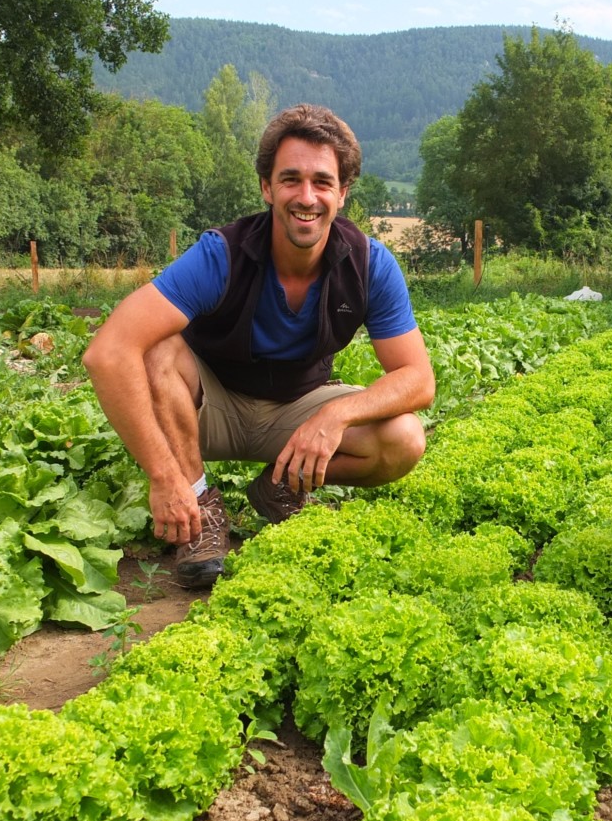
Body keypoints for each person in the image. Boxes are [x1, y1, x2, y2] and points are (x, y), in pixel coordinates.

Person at [83, 104, 435, 589]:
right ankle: (199, 507)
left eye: (322, 182)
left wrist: (335, 416)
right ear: (267, 188)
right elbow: (108, 352)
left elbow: (417, 378)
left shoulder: (369, 265)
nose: (306, 196)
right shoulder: (221, 254)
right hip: (208, 407)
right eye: (290, 179)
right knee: (156, 347)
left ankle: (279, 486)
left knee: (405, 439)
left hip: (296, 409)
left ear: (343, 193)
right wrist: (164, 476)